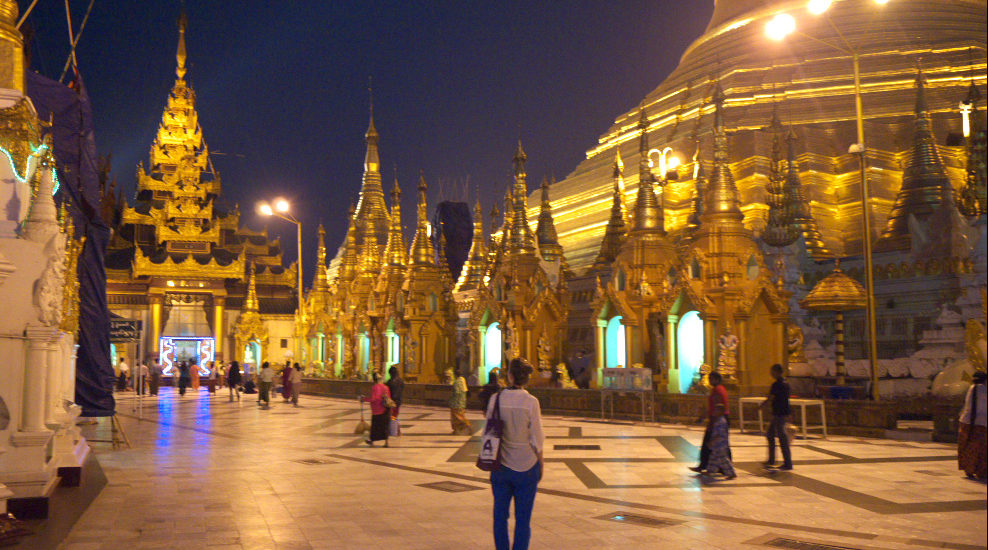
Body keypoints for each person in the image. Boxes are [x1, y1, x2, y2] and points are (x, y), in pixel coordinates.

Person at [489, 358, 544, 550]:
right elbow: (537, 438)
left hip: (501, 466)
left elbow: (489, 429)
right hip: (527, 466)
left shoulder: (495, 399)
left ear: (509, 376)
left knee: (499, 517)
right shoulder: (531, 402)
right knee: (523, 519)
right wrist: (541, 463)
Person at [690, 371, 729, 474]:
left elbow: (718, 406)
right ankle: (720, 468)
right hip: (719, 418)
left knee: (709, 443)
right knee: (721, 444)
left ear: (717, 379)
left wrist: (712, 422)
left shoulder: (717, 390)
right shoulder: (719, 389)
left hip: (717, 419)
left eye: (711, 379)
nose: (710, 381)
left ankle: (704, 465)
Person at [763, 363, 793, 470]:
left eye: (772, 371)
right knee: (771, 435)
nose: (771, 373)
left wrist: (762, 405)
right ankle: (772, 459)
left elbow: (771, 397)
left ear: (777, 372)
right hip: (781, 413)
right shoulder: (786, 384)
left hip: (778, 414)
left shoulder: (777, 385)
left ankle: (787, 462)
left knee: (781, 438)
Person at [958, 371, 987, 480]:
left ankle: (969, 469)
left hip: (966, 421)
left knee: (968, 446)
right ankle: (981, 471)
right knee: (980, 448)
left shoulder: (972, 388)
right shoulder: (982, 389)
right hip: (978, 424)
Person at [705, 403, 736, 480]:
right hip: (717, 445)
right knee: (713, 458)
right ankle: (710, 471)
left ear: (721, 411)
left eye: (716, 410)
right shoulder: (719, 420)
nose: (714, 412)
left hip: (720, 445)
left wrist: (712, 441)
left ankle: (731, 473)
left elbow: (720, 434)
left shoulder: (721, 421)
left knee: (723, 459)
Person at [366, 371, 392, 447]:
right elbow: (389, 398)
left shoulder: (375, 387)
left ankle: (372, 441)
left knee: (375, 426)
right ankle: (386, 442)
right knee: (384, 426)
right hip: (385, 410)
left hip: (377, 410)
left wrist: (364, 399)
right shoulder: (386, 387)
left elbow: (374, 399)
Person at [448, 368, 471, 435]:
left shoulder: (457, 382)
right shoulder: (462, 380)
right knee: (459, 416)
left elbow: (456, 392)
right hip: (462, 402)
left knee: (457, 417)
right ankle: (456, 430)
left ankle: (467, 426)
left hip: (456, 403)